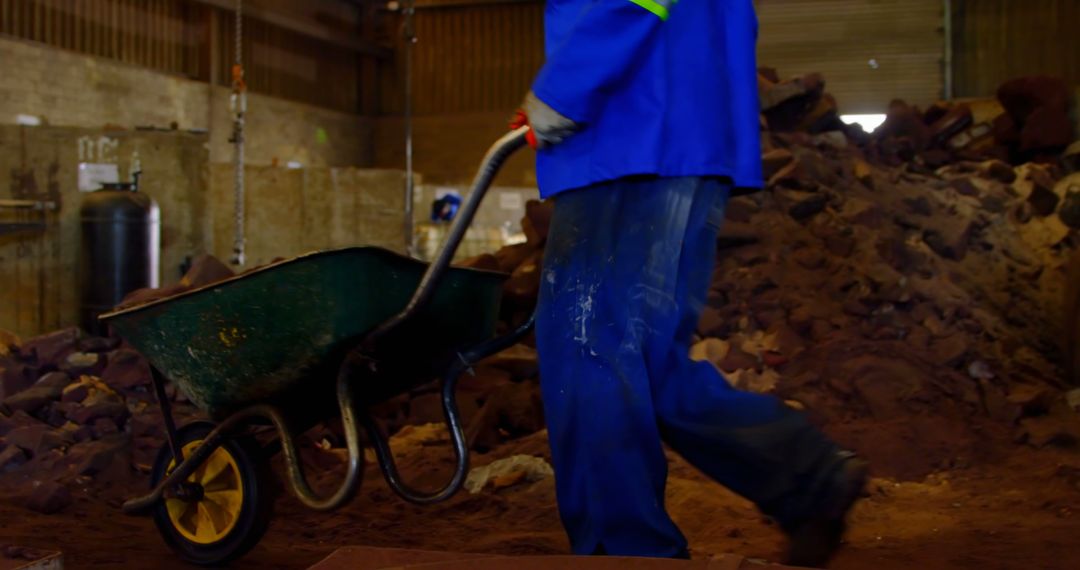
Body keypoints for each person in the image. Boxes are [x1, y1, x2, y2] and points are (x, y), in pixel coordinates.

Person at [511, 0, 867, 566]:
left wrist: (568, 85)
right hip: (686, 128)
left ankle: (625, 548)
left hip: (630, 127)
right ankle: (808, 478)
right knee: (647, 361)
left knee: (590, 349)